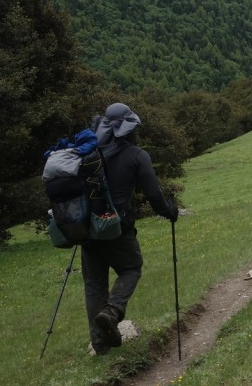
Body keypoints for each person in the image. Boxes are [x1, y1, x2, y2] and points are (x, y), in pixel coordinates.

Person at [82, 102, 178, 356]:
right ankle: (112, 312)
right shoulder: (137, 155)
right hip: (117, 228)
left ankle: (100, 344)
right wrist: (170, 212)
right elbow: (154, 196)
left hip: (86, 228)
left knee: (94, 284)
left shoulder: (88, 154)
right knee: (131, 268)